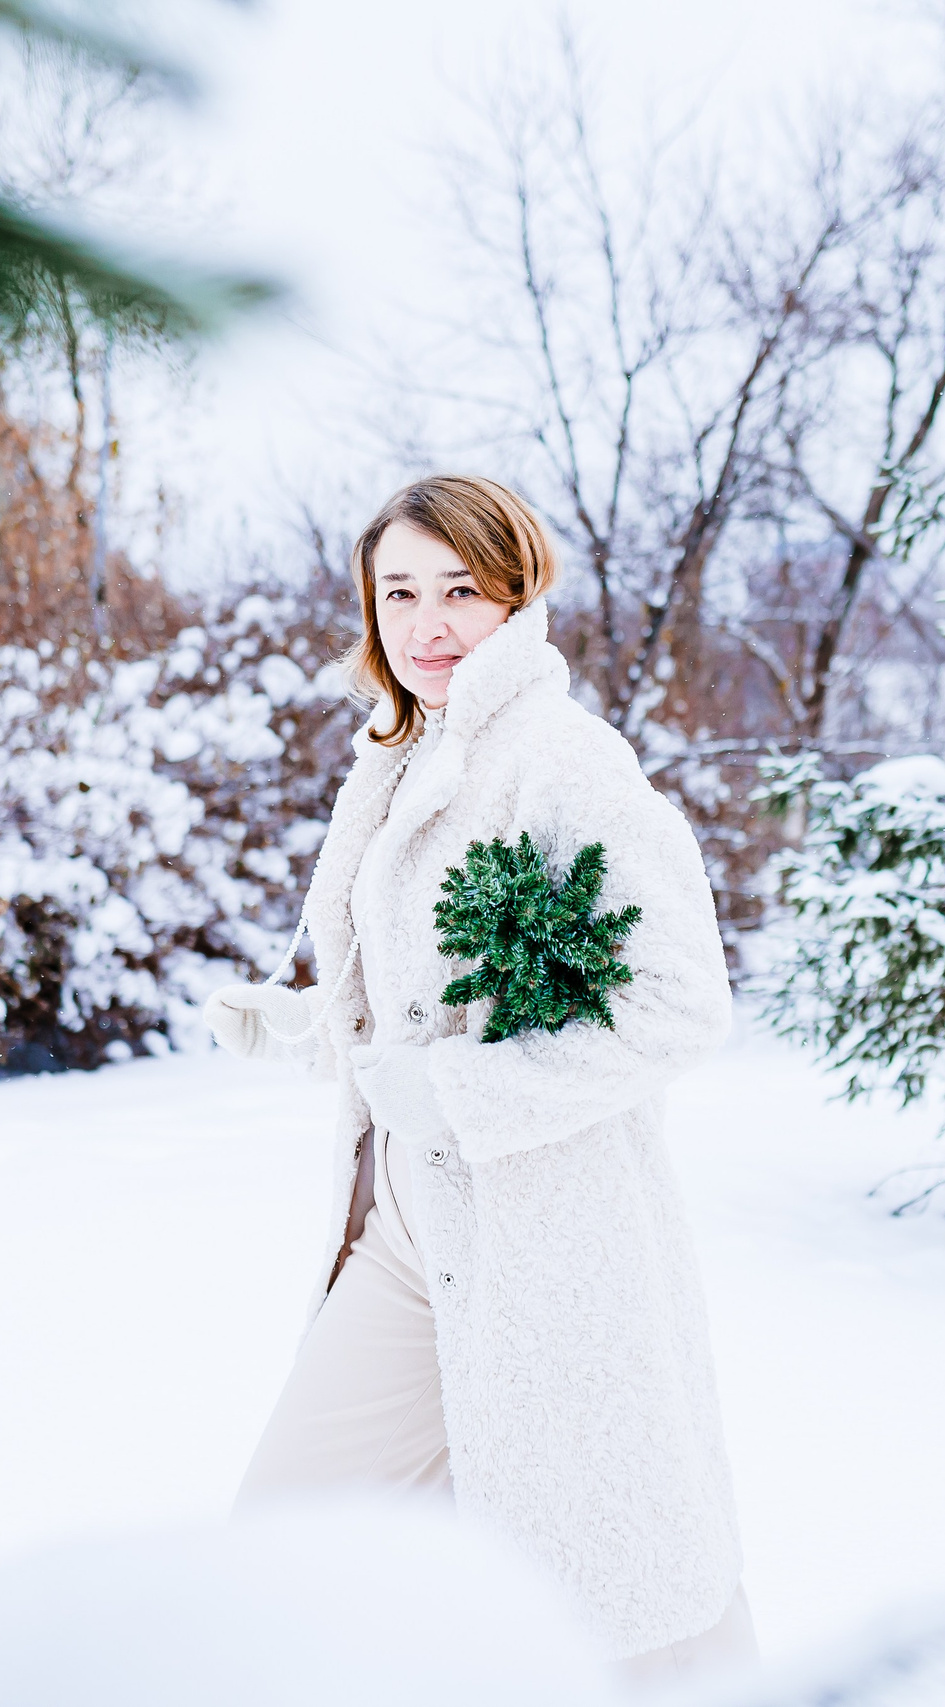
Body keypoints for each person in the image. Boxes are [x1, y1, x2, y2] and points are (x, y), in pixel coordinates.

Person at [204, 474, 757, 1684]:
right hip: (406, 1226)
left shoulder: (560, 761)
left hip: (543, 1226)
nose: (426, 623)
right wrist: (310, 1029)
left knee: (614, 1577)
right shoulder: (399, 757)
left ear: (517, 595)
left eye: (459, 589)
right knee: (284, 1544)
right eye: (398, 592)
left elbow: (681, 1004)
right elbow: (425, 996)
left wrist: (463, 1097)